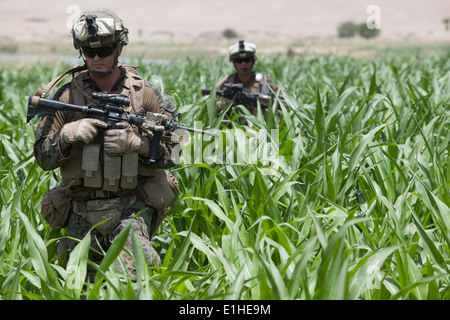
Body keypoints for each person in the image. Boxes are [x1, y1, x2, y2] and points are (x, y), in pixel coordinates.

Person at [31, 8, 179, 278]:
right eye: (89, 51)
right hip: (80, 207)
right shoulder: (65, 97)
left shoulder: (147, 96)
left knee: (129, 278)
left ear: (120, 48)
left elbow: (177, 150)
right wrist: (65, 136)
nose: (96, 58)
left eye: (105, 49)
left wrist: (139, 144)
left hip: (133, 206)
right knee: (80, 286)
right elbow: (42, 157)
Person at [215, 40, 283, 117]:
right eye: (239, 61)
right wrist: (224, 103)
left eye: (247, 60)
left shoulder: (263, 83)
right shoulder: (227, 81)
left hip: (259, 128)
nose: (243, 64)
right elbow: (210, 105)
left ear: (253, 61)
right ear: (234, 62)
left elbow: (283, 104)